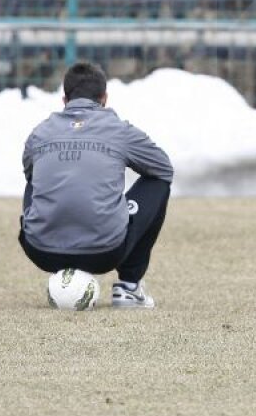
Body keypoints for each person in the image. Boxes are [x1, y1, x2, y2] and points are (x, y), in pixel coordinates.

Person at [19, 61, 174, 307]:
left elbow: (30, 174)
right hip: (104, 252)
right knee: (159, 181)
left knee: (34, 178)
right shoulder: (119, 130)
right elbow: (163, 168)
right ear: (104, 98)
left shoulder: (40, 133)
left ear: (64, 100)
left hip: (41, 251)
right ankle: (129, 287)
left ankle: (55, 241)